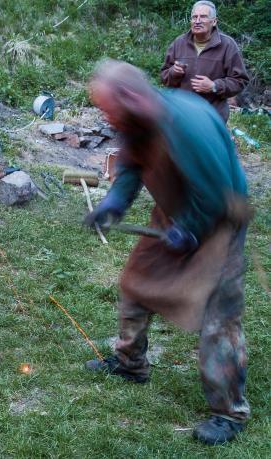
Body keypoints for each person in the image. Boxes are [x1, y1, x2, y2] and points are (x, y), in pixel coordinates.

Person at [85, 60, 252, 445]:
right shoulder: (136, 123)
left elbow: (214, 194)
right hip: (176, 211)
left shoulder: (187, 127)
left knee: (218, 316)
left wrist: (189, 231)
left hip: (220, 216)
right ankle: (130, 364)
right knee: (136, 281)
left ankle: (230, 412)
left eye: (107, 109)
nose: (106, 118)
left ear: (129, 97)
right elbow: (130, 166)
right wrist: (113, 203)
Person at [160, 1, 249, 122]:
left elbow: (240, 80)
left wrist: (214, 86)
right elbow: (164, 76)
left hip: (212, 117)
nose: (197, 21)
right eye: (194, 17)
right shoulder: (179, 43)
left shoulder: (228, 45)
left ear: (214, 21)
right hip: (181, 115)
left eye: (203, 17)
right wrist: (173, 73)